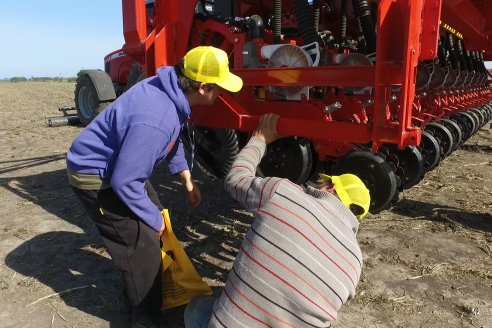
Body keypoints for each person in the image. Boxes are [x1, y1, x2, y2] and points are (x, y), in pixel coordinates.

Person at [66, 46, 243, 327]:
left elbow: (172, 140)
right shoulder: (156, 116)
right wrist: (150, 220)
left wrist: (185, 177)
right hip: (95, 176)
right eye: (220, 88)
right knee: (143, 242)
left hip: (121, 169)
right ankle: (144, 315)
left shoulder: (171, 90)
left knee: (157, 222)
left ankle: (146, 289)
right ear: (203, 86)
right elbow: (126, 180)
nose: (223, 94)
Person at [184, 113, 370, 328]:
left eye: (324, 183)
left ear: (331, 188)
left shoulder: (284, 193)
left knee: (197, 308)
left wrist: (260, 138)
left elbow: (236, 178)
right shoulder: (355, 263)